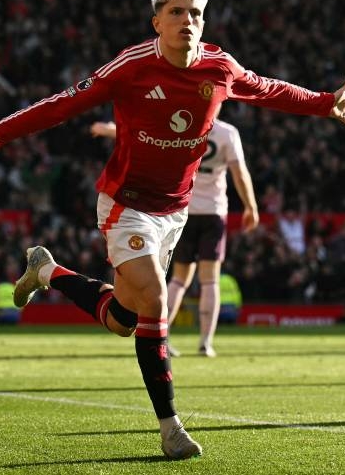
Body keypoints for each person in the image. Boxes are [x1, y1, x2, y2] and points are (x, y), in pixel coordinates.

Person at [0, 0, 345, 459]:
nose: (187, 21)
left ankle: (48, 270)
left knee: (122, 319)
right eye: (177, 12)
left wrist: (325, 102)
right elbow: (61, 105)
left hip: (174, 212)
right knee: (156, 299)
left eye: (195, 13)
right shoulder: (131, 66)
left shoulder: (220, 68)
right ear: (157, 21)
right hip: (126, 204)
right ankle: (170, 427)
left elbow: (268, 89)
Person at [90, 115, 259, 357]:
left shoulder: (186, 129)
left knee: (179, 279)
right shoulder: (227, 133)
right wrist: (251, 206)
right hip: (213, 212)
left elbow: (145, 138)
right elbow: (240, 173)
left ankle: (162, 338)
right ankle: (205, 343)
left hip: (183, 209)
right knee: (210, 280)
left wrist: (109, 130)